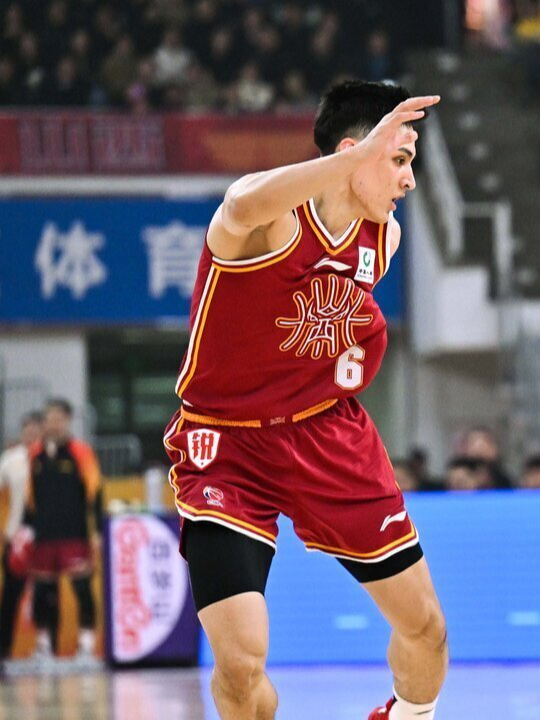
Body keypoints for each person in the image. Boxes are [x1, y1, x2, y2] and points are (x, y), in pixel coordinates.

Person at [163, 81, 446, 720]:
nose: (408, 179)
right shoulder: (270, 222)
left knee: (426, 628)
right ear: (354, 151)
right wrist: (350, 162)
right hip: (225, 444)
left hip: (326, 435)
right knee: (239, 667)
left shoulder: (386, 238)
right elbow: (238, 199)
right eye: (398, 159)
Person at [24, 399, 100, 664]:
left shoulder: (80, 452)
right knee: (43, 592)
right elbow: (30, 498)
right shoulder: (35, 454)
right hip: (44, 535)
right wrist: (27, 530)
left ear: (67, 420)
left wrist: (96, 531)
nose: (53, 423)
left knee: (82, 589)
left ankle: (86, 647)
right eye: (49, 418)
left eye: (58, 418)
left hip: (74, 533)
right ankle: (43, 647)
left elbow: (94, 492)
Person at [0, 413, 42, 661]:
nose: (31, 436)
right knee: (11, 594)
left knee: (46, 592)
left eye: (36, 431)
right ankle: (4, 649)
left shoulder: (47, 457)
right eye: (27, 431)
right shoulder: (11, 460)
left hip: (45, 535)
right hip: (16, 535)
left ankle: (45, 649)